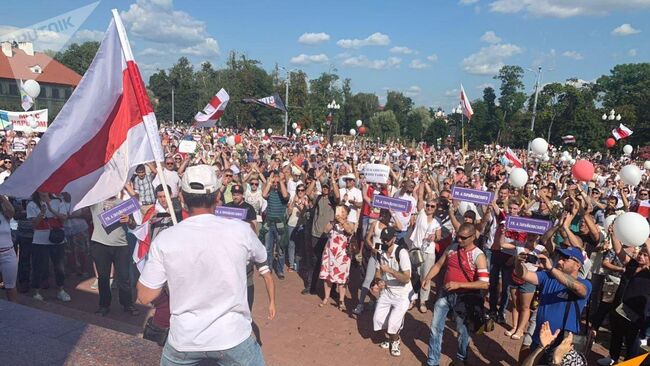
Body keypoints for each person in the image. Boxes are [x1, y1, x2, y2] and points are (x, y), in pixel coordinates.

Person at [137, 165, 268, 366]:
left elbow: (145, 295)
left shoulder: (166, 239)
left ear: (181, 198)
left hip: (184, 340)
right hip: (232, 337)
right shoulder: (241, 231)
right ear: (218, 197)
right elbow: (261, 257)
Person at [422, 223, 489, 366]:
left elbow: (484, 283)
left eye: (463, 238)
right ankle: (432, 362)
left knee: (462, 331)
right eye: (458, 236)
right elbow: (439, 265)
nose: (459, 240)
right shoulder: (452, 248)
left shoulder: (478, 256)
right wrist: (427, 278)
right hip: (445, 295)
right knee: (435, 328)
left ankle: (461, 358)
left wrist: (459, 285)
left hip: (464, 299)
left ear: (472, 237)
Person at [514, 245, 591, 363]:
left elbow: (579, 289)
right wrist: (518, 263)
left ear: (578, 265)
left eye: (565, 259)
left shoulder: (584, 283)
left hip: (563, 344)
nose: (560, 261)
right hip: (540, 338)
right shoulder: (548, 277)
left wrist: (551, 269)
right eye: (560, 257)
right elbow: (524, 274)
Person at [596, 236, 650, 366]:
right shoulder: (631, 265)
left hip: (636, 313)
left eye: (645, 255)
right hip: (618, 307)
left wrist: (646, 238)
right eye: (640, 253)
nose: (641, 256)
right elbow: (618, 250)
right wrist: (614, 234)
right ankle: (612, 358)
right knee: (616, 334)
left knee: (632, 341)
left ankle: (629, 363)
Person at [89, 195, 139, 316]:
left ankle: (127, 304)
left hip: (121, 246)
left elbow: (133, 225)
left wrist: (129, 220)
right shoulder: (95, 202)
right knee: (103, 278)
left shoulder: (123, 204)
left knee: (124, 277)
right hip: (100, 245)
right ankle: (104, 305)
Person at [371, 227, 413, 358]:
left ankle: (395, 341)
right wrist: (378, 281)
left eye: (387, 240)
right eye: (382, 239)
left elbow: (406, 278)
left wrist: (390, 271)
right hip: (388, 291)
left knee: (393, 324)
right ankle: (391, 337)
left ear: (394, 239)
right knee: (377, 320)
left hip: (402, 294)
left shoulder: (402, 253)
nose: (384, 241)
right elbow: (378, 270)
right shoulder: (380, 249)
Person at [27, 192, 71, 302]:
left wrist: (51, 209)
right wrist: (41, 213)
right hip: (39, 240)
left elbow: (64, 218)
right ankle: (36, 291)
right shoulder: (32, 204)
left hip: (57, 239)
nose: (44, 190)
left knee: (59, 267)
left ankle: (61, 290)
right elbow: (34, 224)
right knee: (38, 266)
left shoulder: (58, 201)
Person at [318, 205, 354, 311]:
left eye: (343, 212)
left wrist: (342, 222)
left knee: (342, 280)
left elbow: (350, 231)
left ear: (347, 214)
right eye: (339, 211)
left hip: (343, 255)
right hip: (330, 254)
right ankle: (326, 297)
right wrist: (334, 221)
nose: (341, 213)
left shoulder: (349, 223)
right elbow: (325, 230)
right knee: (327, 277)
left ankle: (341, 300)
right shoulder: (333, 223)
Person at [410, 198, 441, 313]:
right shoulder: (421, 214)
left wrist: (434, 237)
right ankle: (413, 298)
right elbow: (420, 195)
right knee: (414, 275)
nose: (429, 208)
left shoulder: (437, 221)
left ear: (436, 208)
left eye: (432, 206)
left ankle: (423, 301)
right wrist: (424, 181)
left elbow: (439, 236)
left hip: (429, 252)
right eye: (428, 205)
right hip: (416, 248)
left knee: (426, 276)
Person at [262, 169, 289, 279]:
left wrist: (280, 181)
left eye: (277, 183)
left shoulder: (285, 194)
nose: (275, 184)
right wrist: (270, 181)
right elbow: (264, 194)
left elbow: (285, 195)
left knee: (281, 249)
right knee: (268, 248)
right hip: (269, 223)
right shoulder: (270, 193)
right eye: (275, 183)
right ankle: (268, 268)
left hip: (280, 225)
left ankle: (280, 270)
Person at [0, 194, 17, 301]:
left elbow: (12, 211)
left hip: (8, 254)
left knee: (10, 287)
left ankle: (13, 313)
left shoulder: (4, 214)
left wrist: (1, 196)